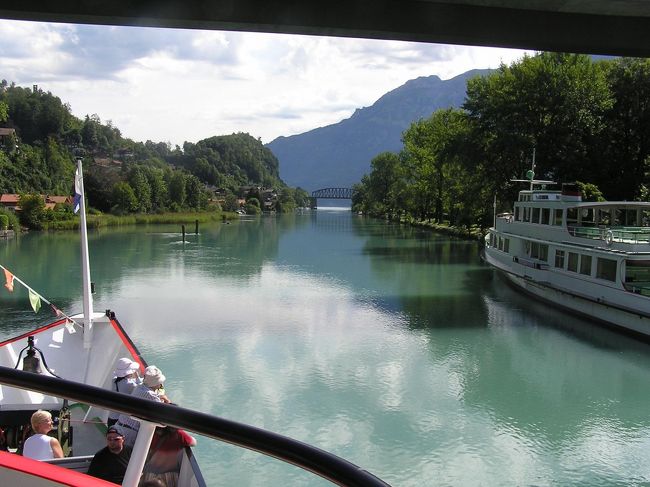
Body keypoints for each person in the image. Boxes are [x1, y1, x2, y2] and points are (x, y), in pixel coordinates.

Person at [117, 365, 171, 447]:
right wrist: (167, 401)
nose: (161, 385)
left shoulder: (139, 387)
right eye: (160, 382)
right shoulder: (152, 396)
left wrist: (159, 397)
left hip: (119, 426)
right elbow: (163, 412)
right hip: (129, 433)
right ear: (156, 383)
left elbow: (148, 396)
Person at [108, 357, 141, 426]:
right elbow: (140, 388)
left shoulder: (114, 380)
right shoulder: (130, 385)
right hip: (119, 419)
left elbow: (124, 383)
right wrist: (137, 377)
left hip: (111, 417)